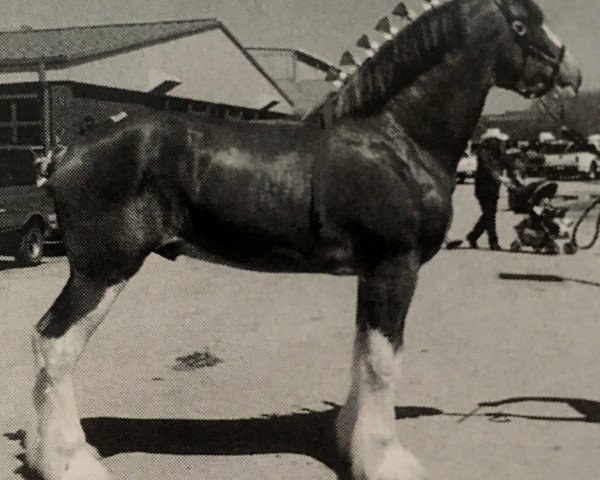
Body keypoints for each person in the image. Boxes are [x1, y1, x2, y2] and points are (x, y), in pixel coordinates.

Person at [466, 128, 518, 250]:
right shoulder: (483, 152)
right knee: (490, 215)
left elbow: (509, 167)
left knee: (489, 215)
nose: (500, 143)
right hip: (483, 188)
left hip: (494, 188)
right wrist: (502, 179)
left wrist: (515, 179)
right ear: (490, 141)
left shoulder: (500, 153)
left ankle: (473, 236)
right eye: (497, 141)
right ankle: (493, 242)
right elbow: (487, 169)